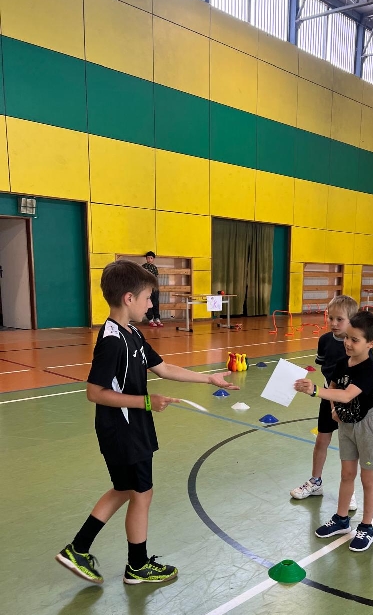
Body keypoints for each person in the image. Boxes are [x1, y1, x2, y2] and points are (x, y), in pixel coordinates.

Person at [56, 261, 238, 586]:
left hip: (131, 426)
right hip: (123, 428)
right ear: (128, 298)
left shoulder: (133, 333)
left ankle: (78, 549)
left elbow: (163, 368)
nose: (151, 304)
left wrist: (209, 378)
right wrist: (146, 402)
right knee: (141, 493)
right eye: (148, 297)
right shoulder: (112, 340)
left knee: (125, 489)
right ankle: (136, 566)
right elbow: (94, 392)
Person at [294, 311, 373, 553]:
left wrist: (314, 391)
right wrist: (333, 409)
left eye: (355, 340)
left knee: (368, 479)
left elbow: (346, 394)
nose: (348, 343)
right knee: (346, 473)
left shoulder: (369, 370)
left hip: (365, 426)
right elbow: (334, 386)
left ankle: (366, 526)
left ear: (371, 343)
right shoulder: (344, 362)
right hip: (345, 424)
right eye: (347, 338)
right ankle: (342, 519)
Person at [290, 295, 360, 511]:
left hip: (350, 402)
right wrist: (328, 400)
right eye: (331, 318)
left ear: (352, 320)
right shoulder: (325, 341)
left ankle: (350, 491)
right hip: (327, 396)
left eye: (340, 319)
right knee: (322, 440)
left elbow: (359, 378)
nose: (334, 323)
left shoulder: (358, 344)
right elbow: (325, 369)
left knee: (349, 448)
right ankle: (315, 482)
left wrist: (339, 403)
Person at [142, 251, 162, 327]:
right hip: (147, 287)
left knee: (155, 302)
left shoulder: (154, 268)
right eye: (148, 258)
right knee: (148, 303)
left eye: (151, 258)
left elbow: (156, 277)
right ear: (146, 259)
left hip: (154, 287)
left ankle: (157, 318)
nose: (149, 259)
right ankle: (150, 319)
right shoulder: (143, 267)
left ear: (153, 259)